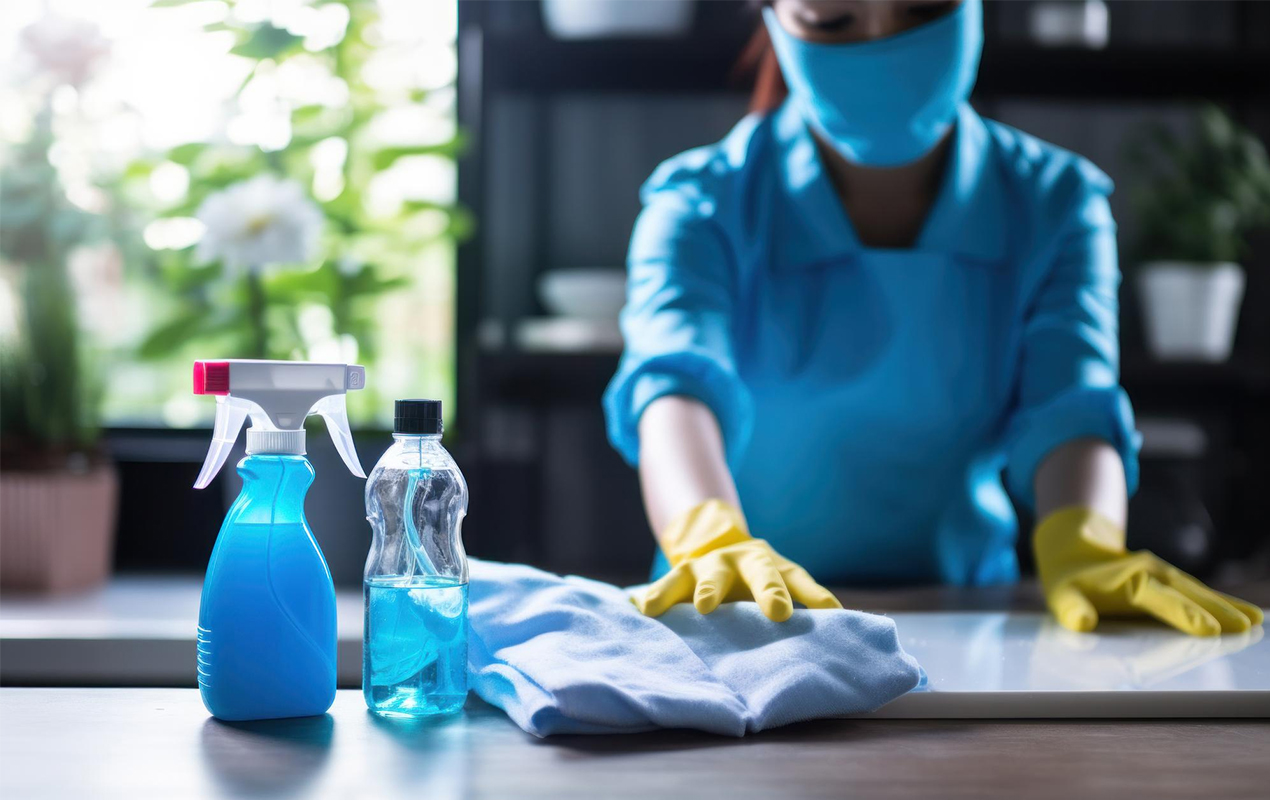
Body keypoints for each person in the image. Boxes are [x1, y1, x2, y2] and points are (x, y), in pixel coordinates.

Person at [602, 0, 1262, 635]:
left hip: (970, 617)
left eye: (923, 9)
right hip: (739, 612)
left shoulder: (1056, 203)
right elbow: (675, 388)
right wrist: (706, 534)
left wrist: (1084, 540)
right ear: (773, 18)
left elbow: (1070, 407)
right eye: (833, 20)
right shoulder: (700, 203)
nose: (883, 44)